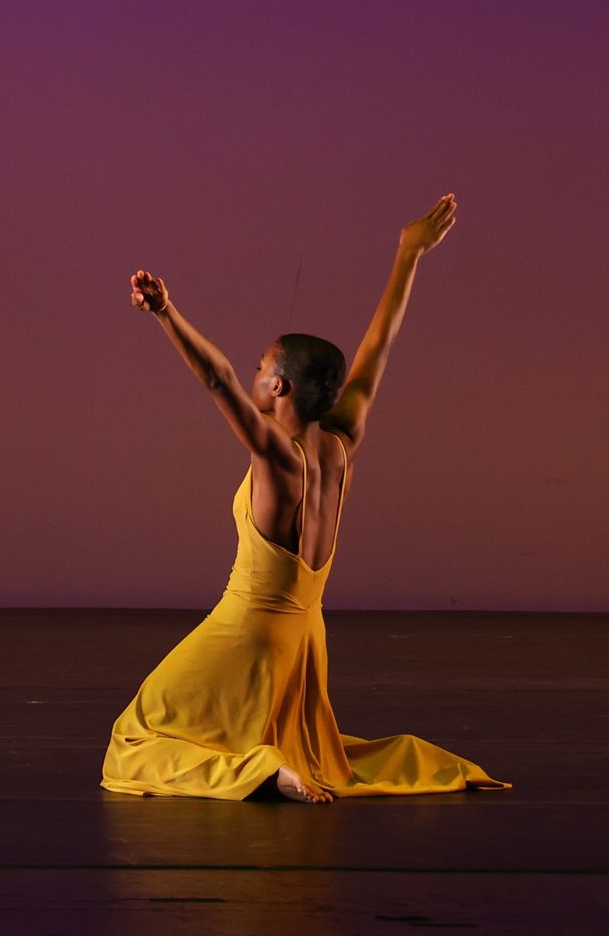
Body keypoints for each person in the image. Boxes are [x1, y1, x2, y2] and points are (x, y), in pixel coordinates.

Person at [101, 194, 505, 800]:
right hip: (303, 646)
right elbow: (375, 356)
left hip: (248, 633)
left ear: (280, 385)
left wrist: (167, 313)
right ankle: (275, 761)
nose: (254, 372)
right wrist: (407, 255)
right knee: (255, 737)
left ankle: (265, 771)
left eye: (262, 367)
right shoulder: (340, 447)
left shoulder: (276, 460)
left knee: (130, 741)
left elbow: (218, 380)